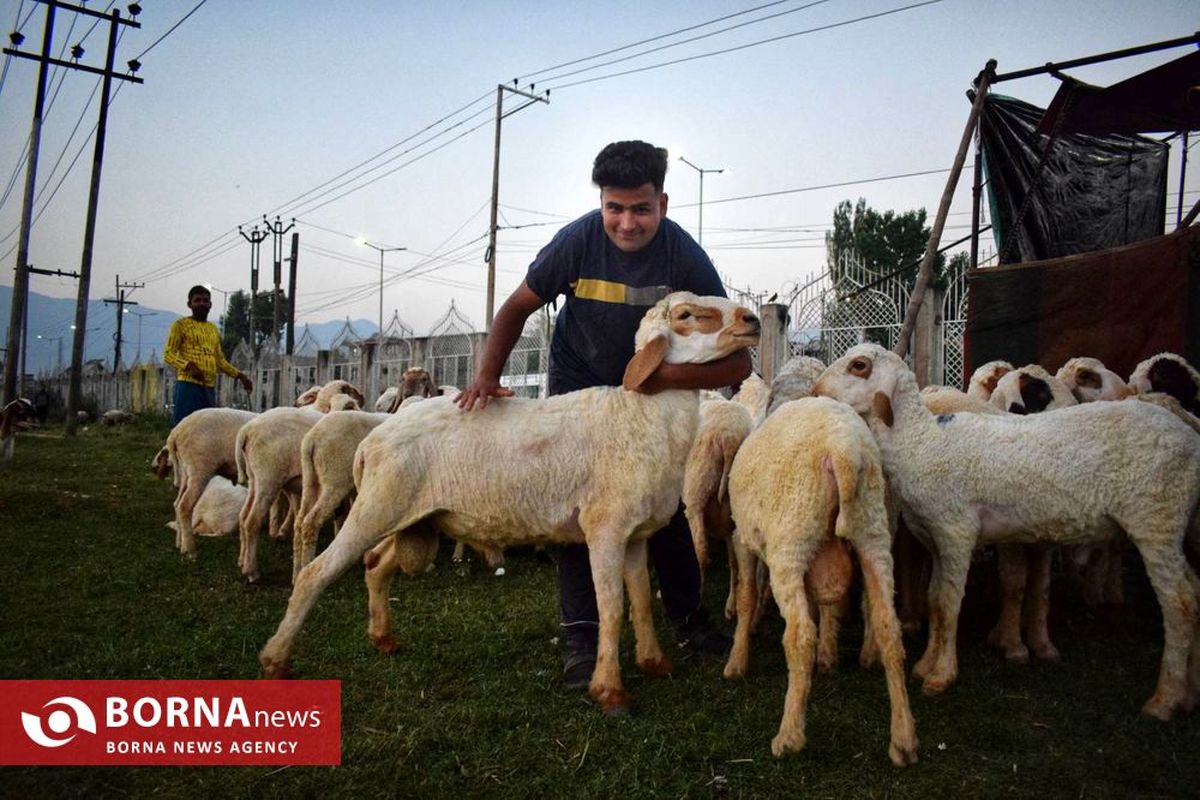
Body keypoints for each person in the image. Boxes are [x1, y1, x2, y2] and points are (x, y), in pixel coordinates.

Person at [457, 140, 751, 689]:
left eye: (640, 209)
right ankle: (581, 639)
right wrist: (486, 375)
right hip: (579, 381)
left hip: (649, 393)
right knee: (577, 513)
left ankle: (689, 620)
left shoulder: (684, 257)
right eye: (614, 208)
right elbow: (517, 306)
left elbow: (738, 359)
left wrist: (658, 378)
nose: (627, 222)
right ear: (601, 204)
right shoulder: (576, 242)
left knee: (662, 504)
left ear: (661, 203)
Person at [163, 285, 252, 426]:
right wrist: (188, 366)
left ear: (210, 305)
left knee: (206, 430)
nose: (202, 304)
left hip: (208, 387)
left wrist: (240, 376)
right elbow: (169, 354)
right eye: (197, 300)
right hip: (188, 385)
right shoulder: (180, 325)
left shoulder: (213, 329)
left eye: (205, 301)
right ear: (189, 304)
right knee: (183, 429)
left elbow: (220, 361)